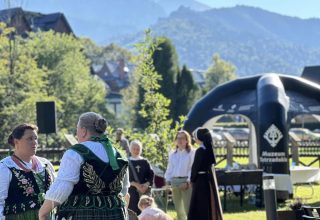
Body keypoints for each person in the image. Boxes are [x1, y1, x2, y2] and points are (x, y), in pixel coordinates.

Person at [39, 112, 130, 220]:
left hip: (83, 213)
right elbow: (124, 190)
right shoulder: (119, 154)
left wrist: (43, 212)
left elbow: (63, 188)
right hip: (116, 213)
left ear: (83, 131)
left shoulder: (75, 152)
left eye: (77, 129)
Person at [0, 123, 55, 219]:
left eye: (36, 138)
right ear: (16, 142)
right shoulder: (5, 168)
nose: (34, 142)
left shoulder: (45, 164)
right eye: (30, 139)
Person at [188, 127, 223, 220]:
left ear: (199, 138)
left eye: (195, 137)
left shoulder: (200, 150)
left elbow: (195, 167)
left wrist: (192, 179)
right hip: (208, 180)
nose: (194, 139)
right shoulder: (209, 149)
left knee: (199, 204)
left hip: (199, 180)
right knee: (208, 203)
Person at [164, 130, 195, 220]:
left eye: (182, 138)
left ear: (187, 140)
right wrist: (167, 181)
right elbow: (169, 169)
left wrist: (188, 183)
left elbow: (192, 168)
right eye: (178, 138)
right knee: (179, 210)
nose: (180, 140)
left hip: (186, 182)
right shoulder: (172, 154)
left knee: (188, 209)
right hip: (174, 182)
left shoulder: (191, 152)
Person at [128, 140, 154, 215]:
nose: (136, 151)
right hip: (132, 192)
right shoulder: (126, 162)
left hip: (144, 191)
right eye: (134, 149)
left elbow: (151, 175)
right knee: (133, 212)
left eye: (138, 149)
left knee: (145, 211)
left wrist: (146, 184)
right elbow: (124, 177)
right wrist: (135, 185)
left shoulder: (145, 162)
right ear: (130, 149)